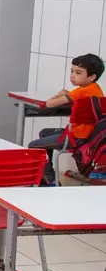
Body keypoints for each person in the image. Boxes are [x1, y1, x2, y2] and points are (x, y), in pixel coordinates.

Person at [28, 53, 105, 185]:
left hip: (76, 137)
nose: (72, 75)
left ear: (92, 77)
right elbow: (80, 99)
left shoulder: (79, 92)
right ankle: (45, 175)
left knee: (34, 145)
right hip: (90, 136)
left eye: (78, 73)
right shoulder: (96, 89)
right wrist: (68, 95)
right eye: (72, 71)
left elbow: (49, 104)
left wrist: (60, 94)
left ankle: (50, 180)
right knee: (44, 133)